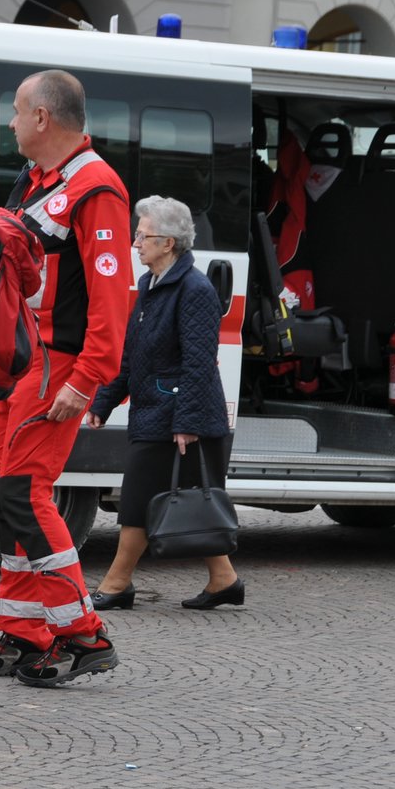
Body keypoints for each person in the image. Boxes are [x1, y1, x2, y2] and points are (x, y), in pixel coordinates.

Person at [0, 69, 129, 687]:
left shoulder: (97, 188)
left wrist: (86, 382)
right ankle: (24, 634)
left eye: (16, 111)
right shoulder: (37, 182)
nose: (9, 123)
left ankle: (83, 632)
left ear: (42, 119)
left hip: (56, 363)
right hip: (21, 361)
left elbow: (113, 302)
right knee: (11, 497)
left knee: (25, 494)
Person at [88, 196, 243, 610]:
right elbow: (132, 354)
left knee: (141, 497)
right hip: (159, 412)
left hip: (181, 417)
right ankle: (224, 578)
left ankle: (118, 583)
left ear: (168, 243)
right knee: (192, 499)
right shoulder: (151, 285)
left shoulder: (195, 290)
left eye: (142, 235)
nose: (135, 243)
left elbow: (199, 361)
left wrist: (187, 421)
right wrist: (103, 401)